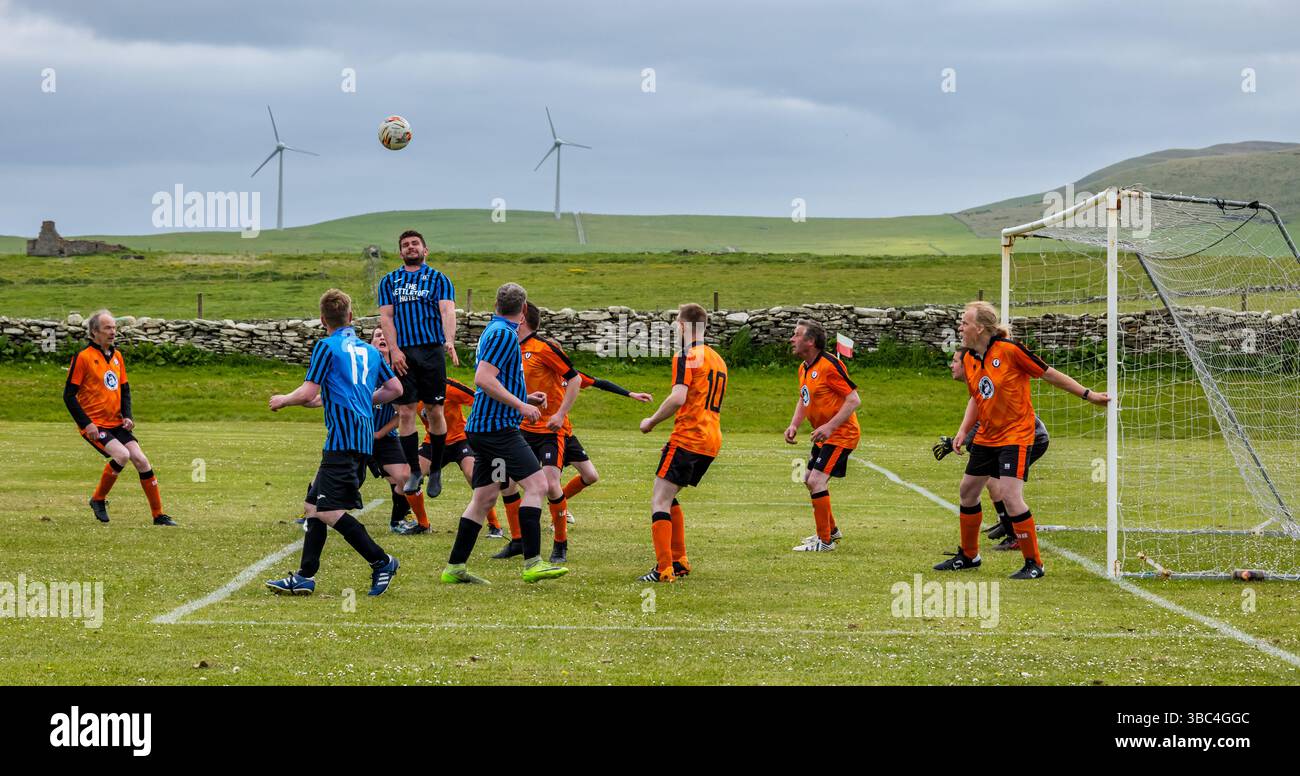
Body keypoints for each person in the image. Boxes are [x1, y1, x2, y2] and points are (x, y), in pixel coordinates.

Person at [935, 301, 1108, 579]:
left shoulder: (1010, 351)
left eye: (964, 322)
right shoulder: (968, 358)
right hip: (987, 436)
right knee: (968, 491)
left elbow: (1050, 375)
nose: (960, 326)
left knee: (1011, 496)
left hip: (1016, 435)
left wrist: (1090, 395)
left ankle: (1034, 564)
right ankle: (969, 556)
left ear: (980, 327)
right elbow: (976, 398)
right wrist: (962, 431)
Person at [265, 289, 404, 597]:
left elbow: (306, 392)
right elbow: (395, 388)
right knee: (313, 505)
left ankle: (381, 561)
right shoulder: (369, 351)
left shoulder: (325, 347)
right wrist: (365, 399)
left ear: (322, 320)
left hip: (343, 441)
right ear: (351, 317)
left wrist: (283, 400)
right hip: (361, 438)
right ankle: (304, 576)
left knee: (328, 511)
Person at [439, 283, 568, 585]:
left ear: (496, 305)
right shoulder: (504, 335)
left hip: (484, 429)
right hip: (497, 430)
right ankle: (534, 563)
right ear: (524, 311)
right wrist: (521, 405)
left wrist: (525, 394)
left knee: (484, 497)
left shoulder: (494, 330)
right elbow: (484, 379)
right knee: (538, 485)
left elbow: (496, 380)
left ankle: (454, 568)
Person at [636, 303, 728, 583]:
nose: (675, 326)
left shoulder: (687, 355)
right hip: (711, 439)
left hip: (689, 436)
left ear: (685, 326)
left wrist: (651, 421)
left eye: (676, 321)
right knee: (670, 495)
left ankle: (664, 569)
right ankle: (680, 561)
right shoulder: (717, 358)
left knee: (659, 499)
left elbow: (678, 397)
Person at [64, 310, 176, 525]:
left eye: (114, 327)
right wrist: (86, 424)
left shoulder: (117, 356)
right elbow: (68, 396)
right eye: (107, 328)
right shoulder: (83, 358)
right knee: (122, 455)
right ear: (94, 332)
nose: (112, 331)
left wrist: (128, 416)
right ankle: (98, 499)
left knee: (142, 461)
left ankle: (158, 515)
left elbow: (124, 389)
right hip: (95, 424)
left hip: (116, 423)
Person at [935, 347, 1050, 551]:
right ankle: (1007, 527)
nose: (951, 366)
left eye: (954, 362)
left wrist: (956, 442)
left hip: (1031, 437)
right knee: (988, 483)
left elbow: (985, 425)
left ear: (967, 364)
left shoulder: (992, 367)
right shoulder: (978, 384)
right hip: (1011, 437)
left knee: (999, 484)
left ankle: (1015, 535)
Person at [378, 229, 458, 498]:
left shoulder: (439, 279)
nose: (410, 247)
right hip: (404, 354)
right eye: (405, 245)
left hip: (431, 351)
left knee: (435, 410)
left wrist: (449, 340)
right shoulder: (389, 281)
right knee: (406, 411)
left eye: (415, 244)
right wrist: (394, 350)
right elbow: (386, 318)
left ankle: (435, 469)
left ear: (425, 250)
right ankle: (414, 470)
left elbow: (447, 310)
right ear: (400, 252)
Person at [783, 319, 861, 552]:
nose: (791, 339)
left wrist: (829, 426)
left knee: (816, 481)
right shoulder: (804, 367)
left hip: (841, 434)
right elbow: (804, 397)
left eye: (796, 335)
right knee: (809, 479)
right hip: (825, 436)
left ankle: (824, 541)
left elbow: (853, 399)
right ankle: (831, 530)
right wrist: (794, 424)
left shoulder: (829, 365)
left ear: (811, 341)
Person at [416, 384, 507, 538]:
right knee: (410, 476)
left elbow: (478, 399)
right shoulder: (413, 390)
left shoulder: (448, 386)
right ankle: (423, 524)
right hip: (433, 443)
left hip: (460, 440)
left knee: (473, 476)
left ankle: (495, 526)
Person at [367, 328, 432, 534]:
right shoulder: (364, 368)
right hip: (358, 436)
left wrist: (379, 433)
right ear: (370, 343)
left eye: (385, 335)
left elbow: (402, 414)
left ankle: (398, 520)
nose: (382, 338)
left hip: (385, 438)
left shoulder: (399, 373)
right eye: (377, 335)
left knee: (405, 476)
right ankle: (311, 510)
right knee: (341, 476)